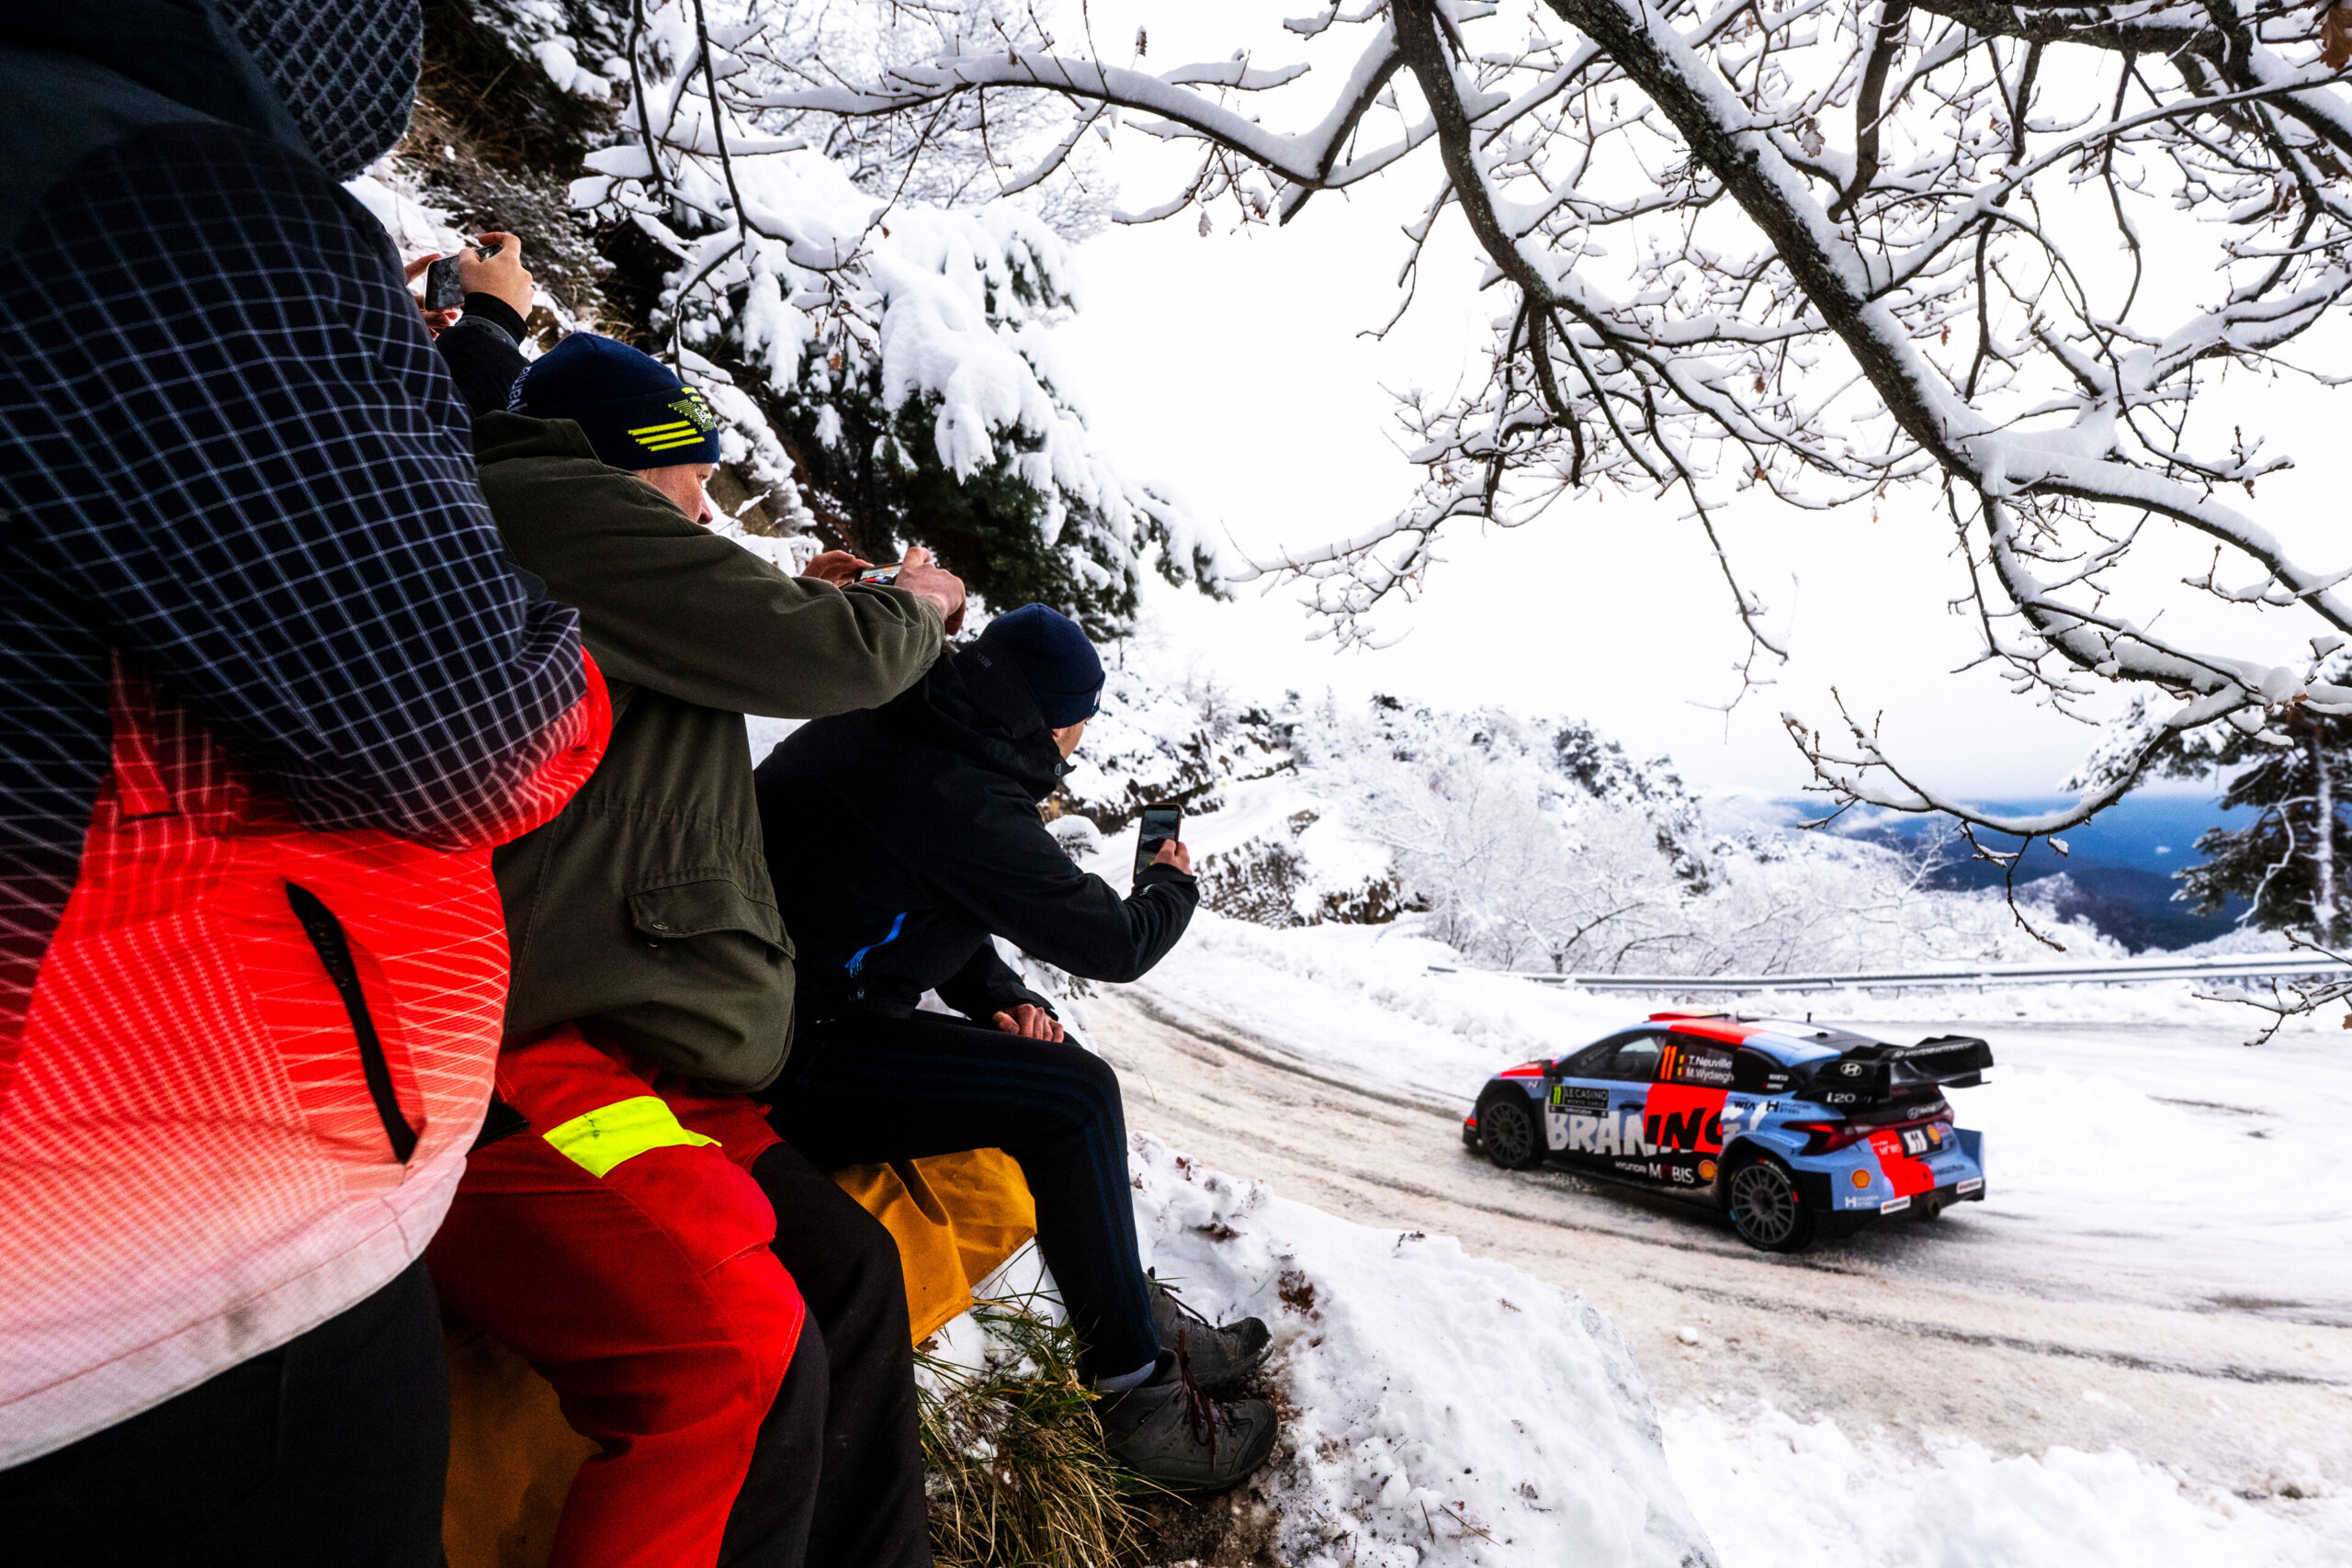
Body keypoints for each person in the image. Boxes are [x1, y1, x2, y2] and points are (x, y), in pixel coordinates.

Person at [0, 6, 608, 1566]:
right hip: (164, 1283)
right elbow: (472, 722)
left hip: (161, 1271)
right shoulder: (152, 194)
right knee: (750, 1326)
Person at [421, 330, 963, 1568]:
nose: (708, 508)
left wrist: (811, 596)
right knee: (736, 1348)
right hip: (543, 1058)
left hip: (628, 1057)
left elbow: (734, 631)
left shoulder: (585, 539)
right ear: (632, 464)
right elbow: (821, 656)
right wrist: (916, 607)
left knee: (849, 1274)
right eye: (694, 478)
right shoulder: (552, 502)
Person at [754, 604, 1281, 1493]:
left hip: (793, 1005)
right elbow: (1114, 943)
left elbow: (928, 893)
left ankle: (1128, 1307)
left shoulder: (910, 721)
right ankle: (1136, 1396)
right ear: (1055, 719)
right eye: (1081, 719)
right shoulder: (962, 796)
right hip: (789, 1049)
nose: (1079, 740)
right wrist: (1168, 884)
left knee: (1055, 1090)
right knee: (1073, 1097)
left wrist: (999, 996)